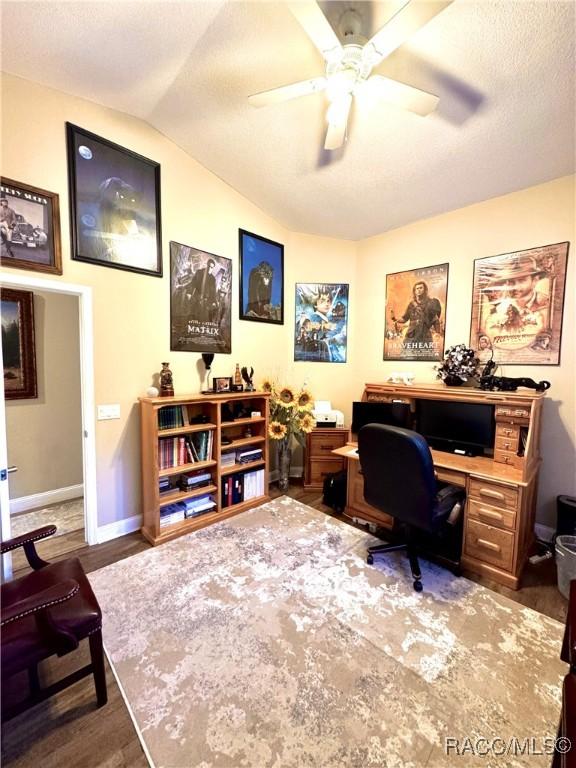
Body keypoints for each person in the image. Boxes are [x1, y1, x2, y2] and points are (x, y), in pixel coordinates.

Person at [391, 281, 442, 346]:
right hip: (411, 336)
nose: (419, 290)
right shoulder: (411, 305)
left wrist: (437, 332)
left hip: (425, 336)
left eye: (421, 288)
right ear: (414, 291)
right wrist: (395, 319)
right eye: (417, 288)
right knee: (407, 355)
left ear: (425, 290)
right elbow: (404, 319)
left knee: (425, 355)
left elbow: (435, 320)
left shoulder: (431, 303)